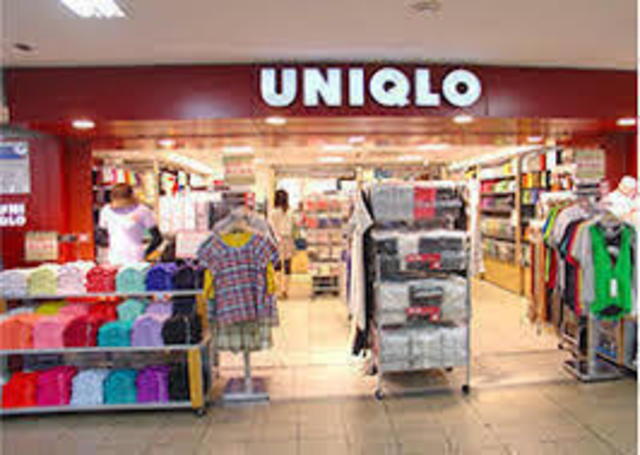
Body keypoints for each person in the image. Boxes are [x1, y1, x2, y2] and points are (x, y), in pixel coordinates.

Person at [96, 183, 163, 265]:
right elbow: (157, 238)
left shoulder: (142, 211)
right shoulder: (106, 211)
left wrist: (146, 254)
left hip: (133, 258)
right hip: (118, 258)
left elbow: (157, 238)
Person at [268, 189, 294, 299]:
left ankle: (279, 290)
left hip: (276, 240)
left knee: (277, 265)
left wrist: (275, 238)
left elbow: (271, 228)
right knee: (287, 264)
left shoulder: (273, 212)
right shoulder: (290, 211)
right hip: (288, 239)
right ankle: (285, 290)